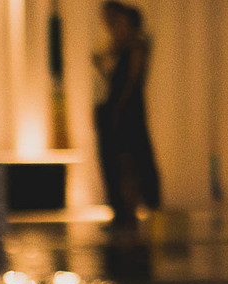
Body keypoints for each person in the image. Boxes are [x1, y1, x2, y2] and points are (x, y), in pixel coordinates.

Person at [94, 1, 160, 233]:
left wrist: (118, 108)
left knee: (131, 162)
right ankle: (124, 214)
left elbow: (131, 82)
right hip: (117, 110)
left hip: (127, 113)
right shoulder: (119, 47)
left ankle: (135, 213)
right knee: (119, 163)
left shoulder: (135, 48)